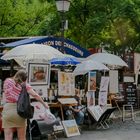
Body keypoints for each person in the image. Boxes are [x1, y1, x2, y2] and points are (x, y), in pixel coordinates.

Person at [2, 69, 49, 140]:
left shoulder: (7, 81)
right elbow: (36, 95)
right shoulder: (25, 85)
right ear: (25, 78)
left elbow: (5, 94)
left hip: (7, 110)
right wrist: (45, 105)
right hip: (20, 111)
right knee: (21, 137)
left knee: (8, 136)